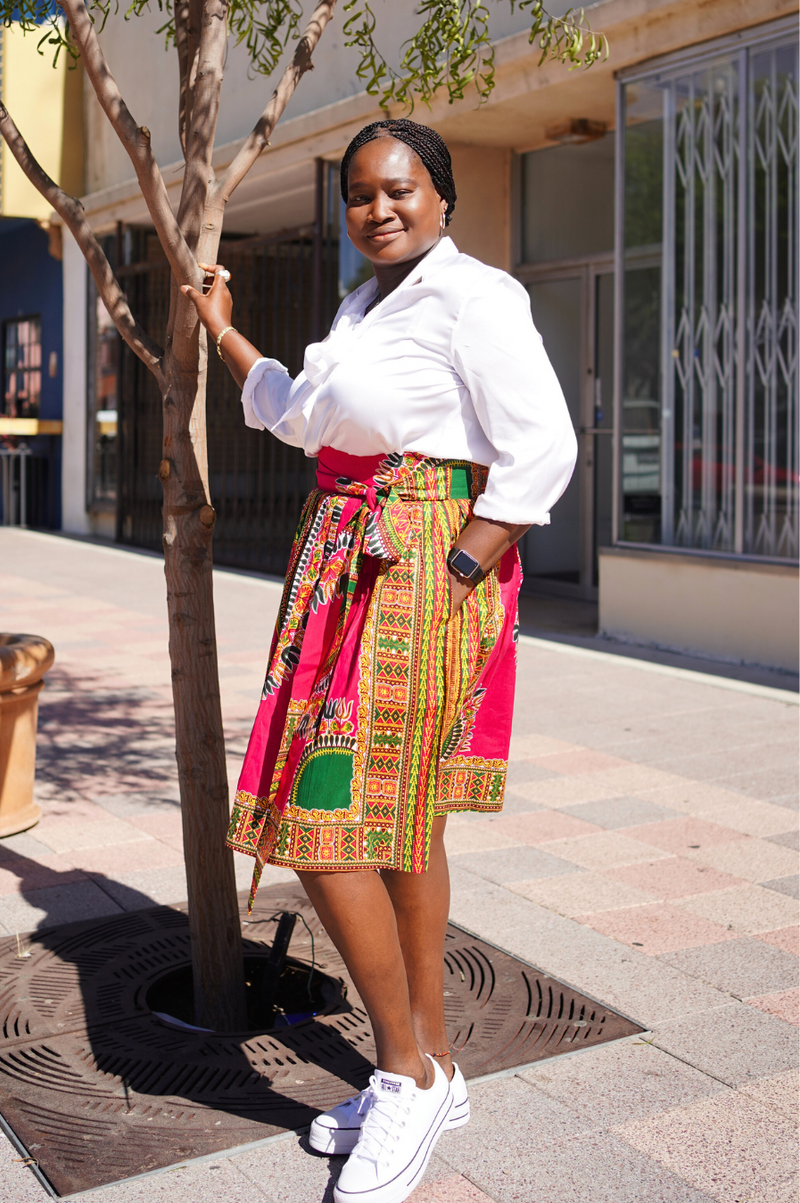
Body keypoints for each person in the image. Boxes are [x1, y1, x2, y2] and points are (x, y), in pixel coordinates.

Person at [182, 117, 576, 1203]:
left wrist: (459, 565)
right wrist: (226, 335)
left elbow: (541, 441)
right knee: (394, 822)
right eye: (358, 195)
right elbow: (304, 420)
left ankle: (399, 1072)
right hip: (345, 564)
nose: (378, 209)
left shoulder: (474, 295)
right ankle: (432, 1068)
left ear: (441, 195)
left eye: (398, 189)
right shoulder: (363, 307)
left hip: (417, 569)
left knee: (325, 824)